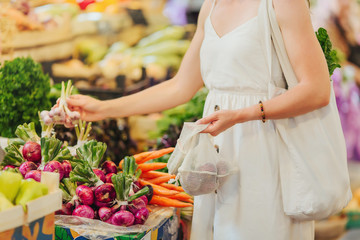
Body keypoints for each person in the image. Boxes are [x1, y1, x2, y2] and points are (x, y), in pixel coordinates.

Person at [67, 0, 330, 239]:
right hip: (214, 160)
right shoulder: (211, 6)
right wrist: (103, 108)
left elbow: (317, 90)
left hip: (265, 154)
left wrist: (243, 114)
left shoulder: (282, 4)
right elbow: (180, 86)